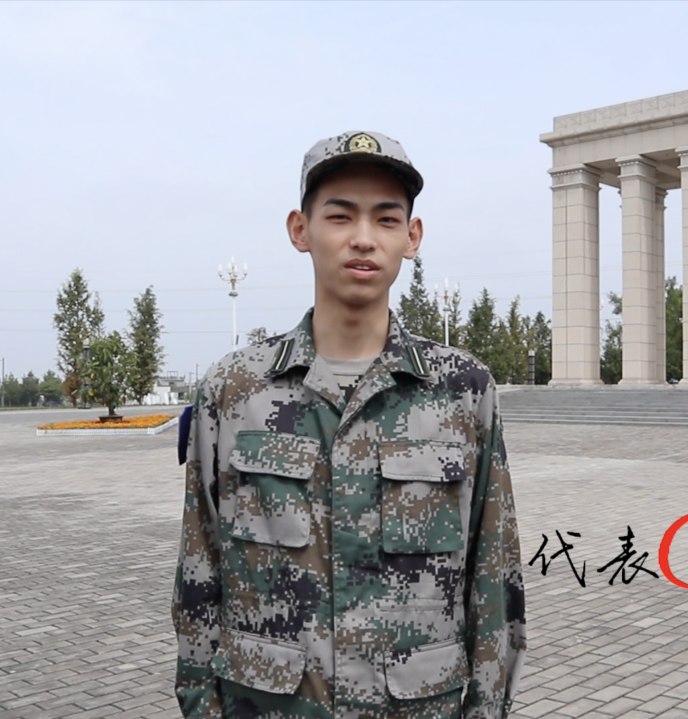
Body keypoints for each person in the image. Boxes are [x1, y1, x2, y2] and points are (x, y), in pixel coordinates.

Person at [172, 131, 526, 719]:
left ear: (412, 237)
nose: (364, 238)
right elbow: (199, 567)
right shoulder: (235, 390)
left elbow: (494, 575)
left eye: (386, 219)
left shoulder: (462, 389)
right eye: (340, 216)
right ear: (300, 229)